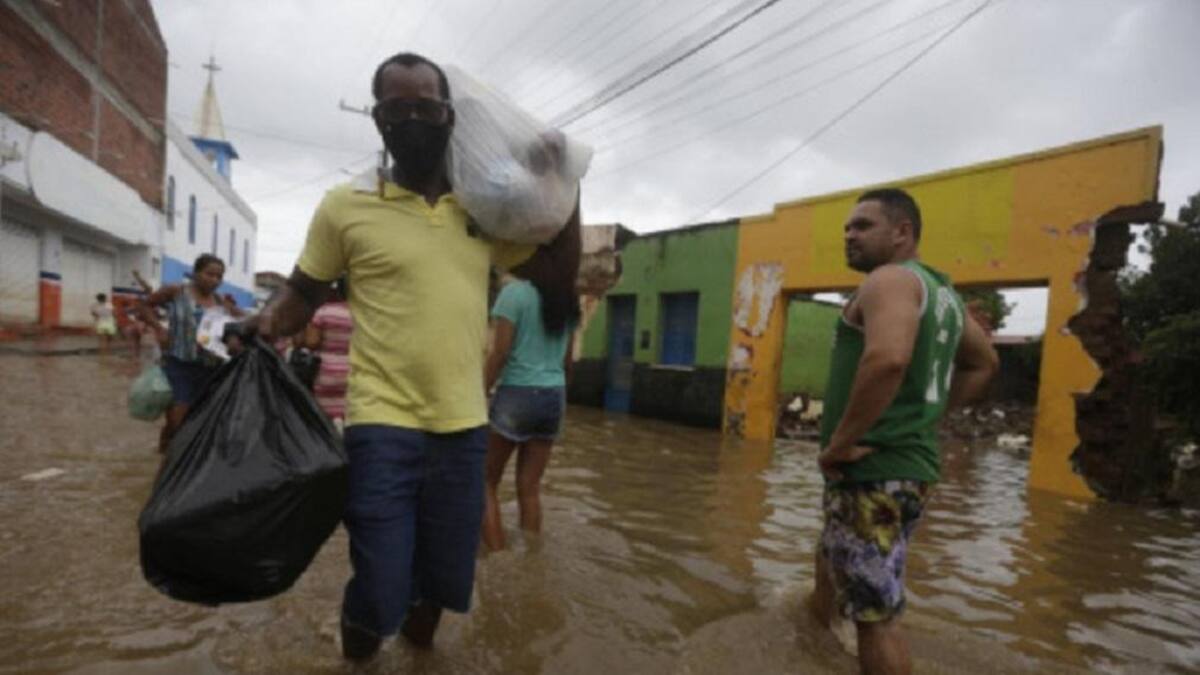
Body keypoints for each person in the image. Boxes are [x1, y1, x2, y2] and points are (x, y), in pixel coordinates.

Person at [240, 52, 574, 662]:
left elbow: (556, 272)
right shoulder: (345, 206)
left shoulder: (481, 210)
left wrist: (562, 182)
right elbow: (303, 293)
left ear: (450, 117)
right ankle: (358, 652)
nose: (414, 119)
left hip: (464, 430)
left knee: (439, 594)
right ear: (378, 120)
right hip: (379, 426)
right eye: (399, 109)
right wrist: (269, 320)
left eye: (428, 107)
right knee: (380, 589)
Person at [807, 188, 998, 675]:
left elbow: (888, 358)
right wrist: (929, 417)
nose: (849, 235)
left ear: (902, 232)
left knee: (877, 616)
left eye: (863, 225)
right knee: (833, 555)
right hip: (906, 469)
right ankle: (811, 647)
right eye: (846, 228)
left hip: (873, 466)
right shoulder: (944, 297)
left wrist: (842, 442)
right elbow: (983, 363)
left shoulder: (889, 280)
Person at [480, 226, 581, 551]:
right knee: (530, 487)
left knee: (484, 482)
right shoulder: (566, 299)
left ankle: (498, 559)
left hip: (517, 395)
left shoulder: (515, 294)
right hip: (553, 397)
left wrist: (479, 391)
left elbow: (500, 352)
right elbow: (567, 363)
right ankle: (531, 560)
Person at [139, 254, 242, 453]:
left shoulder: (220, 301)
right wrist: (159, 328)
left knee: (202, 418)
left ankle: (177, 456)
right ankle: (166, 455)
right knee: (178, 419)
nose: (214, 280)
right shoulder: (177, 291)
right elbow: (144, 306)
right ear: (196, 273)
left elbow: (239, 319)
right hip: (179, 364)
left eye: (219, 276)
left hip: (210, 368)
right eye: (209, 274)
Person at [304, 276, 353, 429]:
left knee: (323, 424)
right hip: (353, 372)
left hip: (325, 373)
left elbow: (311, 343)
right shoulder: (362, 315)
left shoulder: (323, 312)